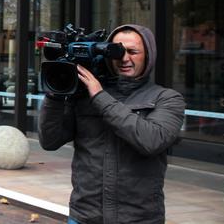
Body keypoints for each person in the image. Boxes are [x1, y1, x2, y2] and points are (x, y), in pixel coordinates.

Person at [39, 24, 185, 224]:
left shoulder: (167, 98)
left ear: (149, 56)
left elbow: (151, 141)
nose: (124, 58)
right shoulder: (84, 95)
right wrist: (55, 94)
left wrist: (99, 95)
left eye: (133, 52)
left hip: (140, 219)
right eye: (118, 52)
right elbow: (50, 141)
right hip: (84, 216)